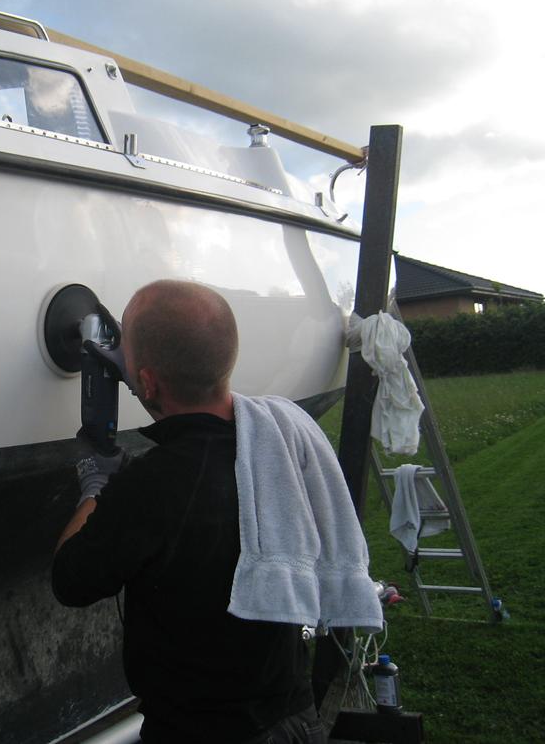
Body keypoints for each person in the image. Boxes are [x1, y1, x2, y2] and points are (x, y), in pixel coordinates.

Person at [51, 280, 328, 744]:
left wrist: (95, 487)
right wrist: (144, 378)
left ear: (148, 380)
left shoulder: (152, 485)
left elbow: (70, 579)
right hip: (296, 719)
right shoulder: (279, 442)